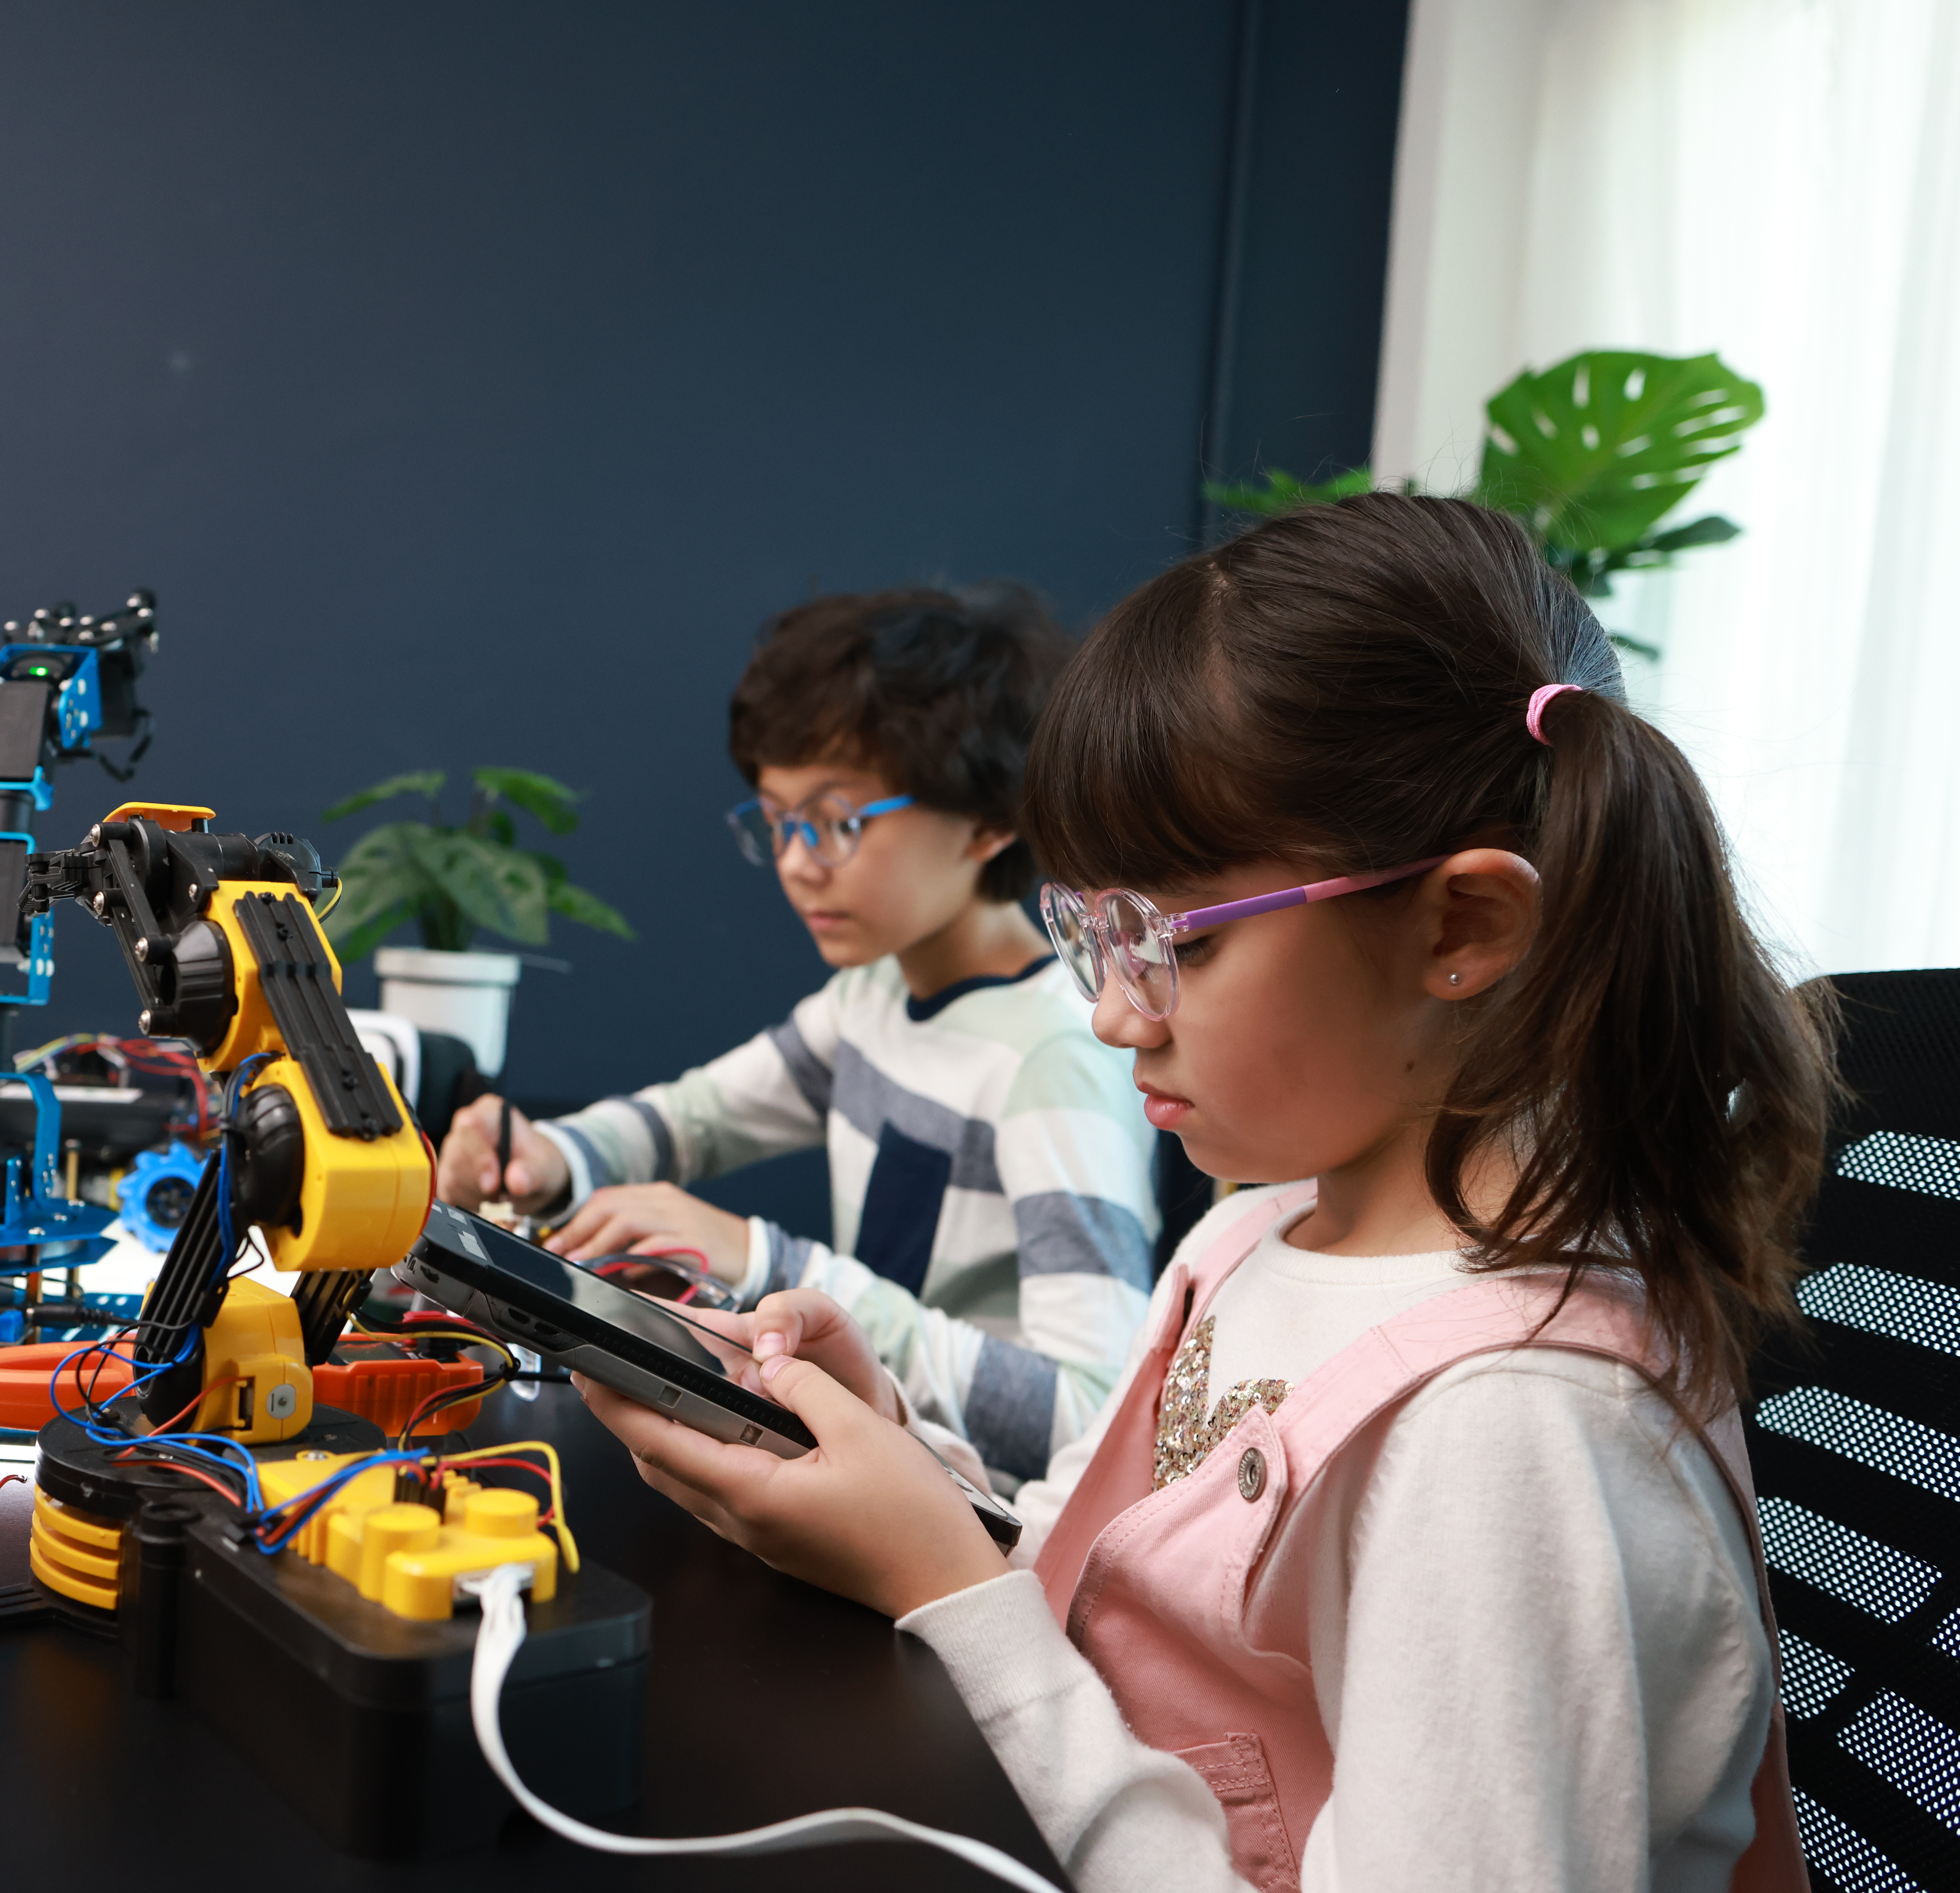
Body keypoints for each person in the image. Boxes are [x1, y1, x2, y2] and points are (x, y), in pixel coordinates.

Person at [576, 495, 1825, 1891]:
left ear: (1462, 926)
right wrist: (912, 1474)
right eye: (1090, 930)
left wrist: (947, 1590)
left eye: (1168, 940)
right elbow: (1118, 1568)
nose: (1111, 1016)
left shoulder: (1509, 1434)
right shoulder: (1257, 1228)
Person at [438, 586, 1159, 1490]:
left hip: (982, 1534)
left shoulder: (1054, 1056)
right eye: (779, 823)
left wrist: (772, 1261)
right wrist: (554, 1157)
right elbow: (696, 1119)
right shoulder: (870, 997)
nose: (795, 862)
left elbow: (1091, 1418)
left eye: (838, 822)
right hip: (873, 1473)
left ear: (988, 821)